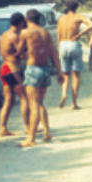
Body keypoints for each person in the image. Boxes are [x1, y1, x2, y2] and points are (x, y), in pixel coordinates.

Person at [20, 8, 63, 148]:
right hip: (45, 69)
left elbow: (20, 51)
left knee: (33, 105)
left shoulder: (25, 32)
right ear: (39, 19)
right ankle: (47, 132)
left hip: (33, 69)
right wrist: (59, 72)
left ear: (26, 20)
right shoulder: (46, 33)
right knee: (39, 104)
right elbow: (54, 53)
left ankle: (31, 138)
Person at [56, 0, 92, 110]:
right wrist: (80, 34)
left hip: (63, 44)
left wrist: (59, 50)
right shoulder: (78, 17)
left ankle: (63, 94)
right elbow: (91, 24)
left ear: (67, 7)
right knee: (76, 75)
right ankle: (74, 103)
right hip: (73, 44)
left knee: (66, 74)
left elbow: (58, 35)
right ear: (76, 8)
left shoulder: (61, 18)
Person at [0, 12, 28, 137]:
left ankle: (2, 128)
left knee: (9, 100)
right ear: (21, 23)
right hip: (13, 69)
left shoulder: (4, 34)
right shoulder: (15, 37)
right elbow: (21, 54)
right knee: (24, 97)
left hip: (4, 68)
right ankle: (28, 127)